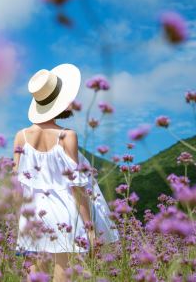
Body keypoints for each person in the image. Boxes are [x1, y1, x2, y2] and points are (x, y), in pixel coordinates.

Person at [12, 63, 119, 282]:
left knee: (34, 276)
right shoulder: (67, 136)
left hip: (32, 213)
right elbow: (76, 184)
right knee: (63, 276)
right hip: (65, 213)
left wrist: (18, 220)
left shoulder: (20, 136)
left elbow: (17, 185)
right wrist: (89, 228)